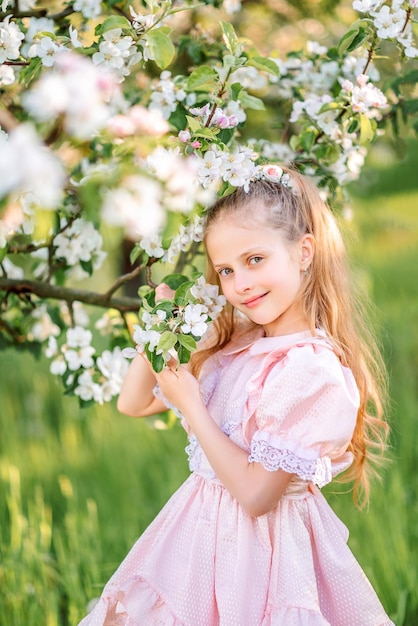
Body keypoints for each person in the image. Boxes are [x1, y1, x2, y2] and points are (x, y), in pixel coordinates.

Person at [78, 166, 394, 626]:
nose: (240, 283)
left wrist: (191, 405)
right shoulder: (238, 346)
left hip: (264, 563)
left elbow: (254, 495)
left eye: (255, 260)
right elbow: (133, 403)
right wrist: (161, 327)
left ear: (304, 252)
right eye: (226, 270)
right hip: (197, 551)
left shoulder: (310, 371)